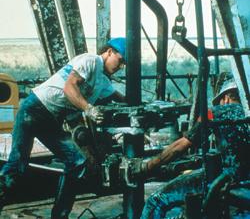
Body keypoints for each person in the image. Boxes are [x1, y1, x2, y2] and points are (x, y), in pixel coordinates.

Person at [0, 37, 127, 218]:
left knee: (77, 162)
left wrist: (146, 103)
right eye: (120, 60)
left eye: (124, 64)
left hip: (51, 120)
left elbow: (120, 97)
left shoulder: (104, 82)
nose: (120, 66)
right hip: (34, 109)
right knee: (16, 167)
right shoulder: (90, 61)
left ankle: (59, 216)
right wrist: (89, 109)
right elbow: (69, 87)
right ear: (109, 52)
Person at [132, 72, 250, 218]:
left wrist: (148, 166)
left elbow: (181, 146)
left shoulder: (214, 113)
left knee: (156, 201)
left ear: (225, 98)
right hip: (246, 182)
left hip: (227, 178)